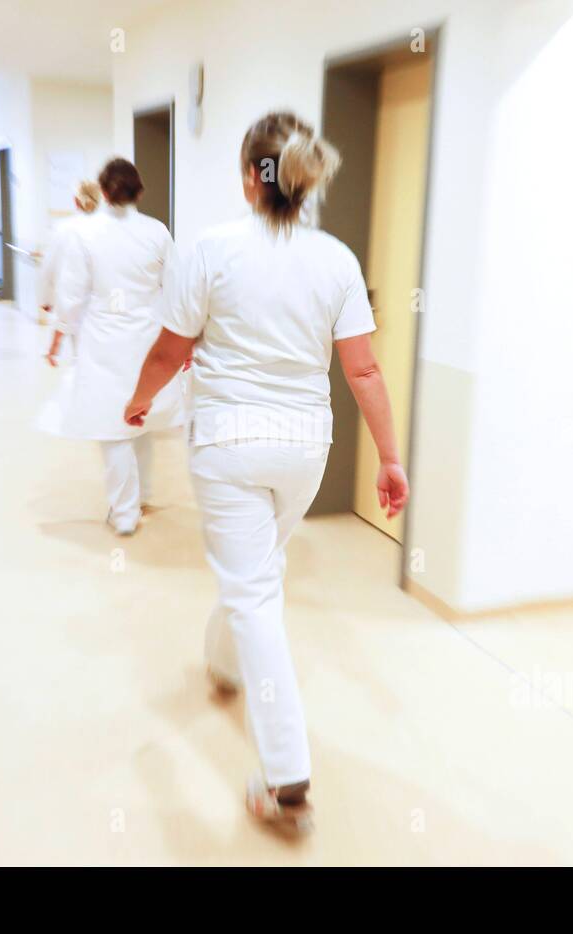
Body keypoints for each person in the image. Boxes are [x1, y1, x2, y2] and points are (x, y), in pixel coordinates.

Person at [124, 111, 410, 832]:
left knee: (254, 593)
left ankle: (285, 776)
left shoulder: (212, 249)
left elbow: (171, 349)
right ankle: (225, 663)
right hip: (304, 449)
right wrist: (391, 457)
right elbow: (365, 369)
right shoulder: (337, 259)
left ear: (253, 175)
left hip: (228, 443)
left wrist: (137, 398)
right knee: (258, 571)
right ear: (302, 178)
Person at [54, 158, 185, 536]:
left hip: (103, 339)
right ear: (138, 190)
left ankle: (124, 512)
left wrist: (65, 327)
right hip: (148, 335)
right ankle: (142, 496)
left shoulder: (86, 233)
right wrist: (182, 340)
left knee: (112, 426)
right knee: (139, 417)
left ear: (104, 190)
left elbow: (71, 293)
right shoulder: (157, 232)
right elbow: (176, 288)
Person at [39, 179, 101, 366]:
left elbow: (50, 268)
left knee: (83, 363)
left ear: (75, 201)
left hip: (78, 309)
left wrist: (47, 299)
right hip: (107, 311)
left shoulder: (65, 228)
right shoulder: (108, 227)